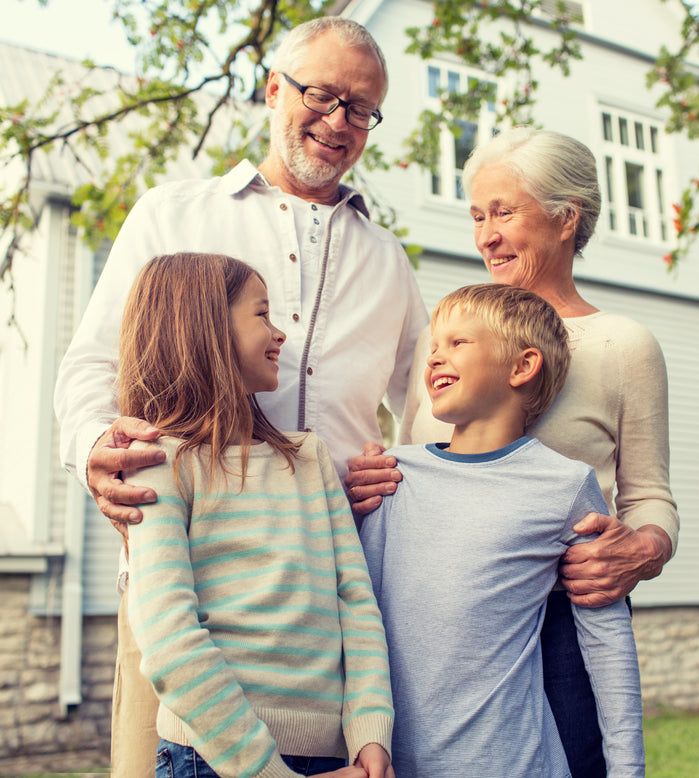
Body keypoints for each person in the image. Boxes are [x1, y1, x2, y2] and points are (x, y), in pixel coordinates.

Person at [52, 17, 427, 778]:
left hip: (326, 604)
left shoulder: (387, 258)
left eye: (362, 110)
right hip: (183, 578)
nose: (339, 123)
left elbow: (430, 408)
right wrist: (98, 446)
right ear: (272, 90)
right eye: (322, 96)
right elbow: (93, 363)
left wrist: (400, 478)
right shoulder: (172, 213)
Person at [346, 127, 678, 778]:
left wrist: (644, 549)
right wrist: (371, 480)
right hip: (435, 623)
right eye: (477, 216)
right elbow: (415, 455)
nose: (486, 236)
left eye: (503, 212)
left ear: (565, 218)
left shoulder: (621, 346)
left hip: (561, 617)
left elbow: (650, 496)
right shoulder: (449, 343)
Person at [119, 252, 393, 778]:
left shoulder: (308, 458)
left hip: (337, 759)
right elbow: (168, 636)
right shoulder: (158, 465)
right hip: (211, 758)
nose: (278, 333)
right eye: (262, 314)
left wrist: (369, 732)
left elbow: (355, 602)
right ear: (203, 327)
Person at [359, 283, 644, 778]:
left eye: (457, 343)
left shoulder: (564, 486)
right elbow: (356, 618)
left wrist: (627, 770)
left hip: (517, 762)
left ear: (521, 367)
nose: (434, 360)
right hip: (394, 765)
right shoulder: (390, 477)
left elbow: (608, 644)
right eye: (432, 348)